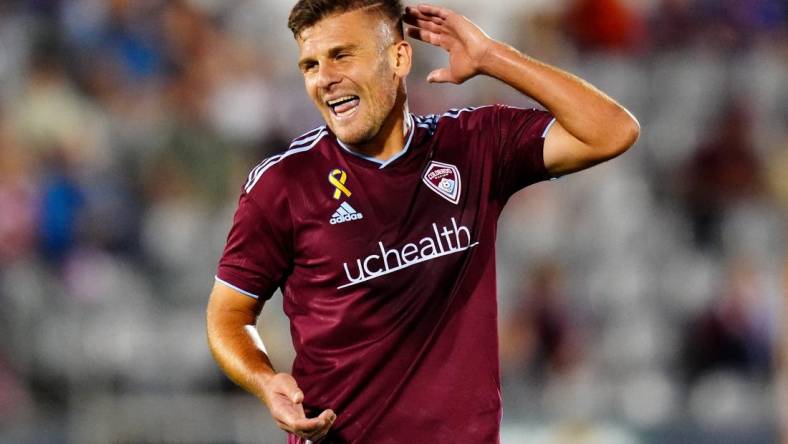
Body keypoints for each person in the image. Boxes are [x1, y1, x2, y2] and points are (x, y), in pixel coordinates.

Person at [206, 1, 639, 442]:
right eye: (310, 65)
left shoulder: (472, 147)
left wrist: (491, 56)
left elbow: (611, 130)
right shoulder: (283, 184)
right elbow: (228, 314)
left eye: (342, 55)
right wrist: (265, 381)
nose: (325, 79)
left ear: (399, 57)